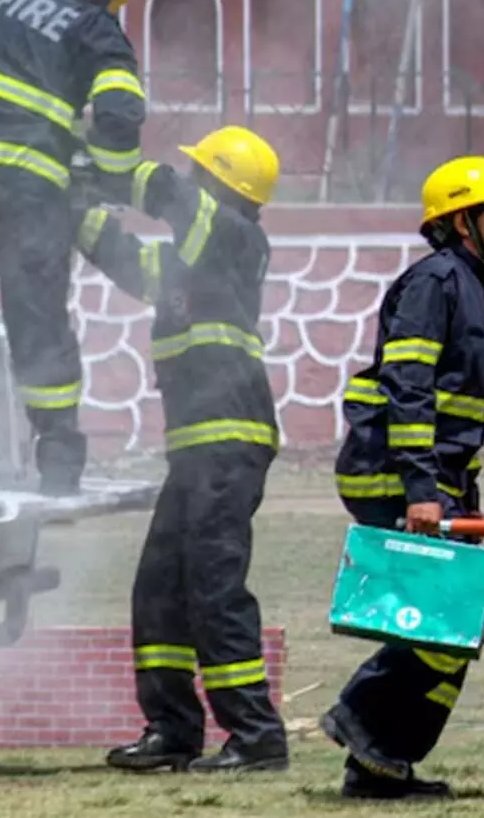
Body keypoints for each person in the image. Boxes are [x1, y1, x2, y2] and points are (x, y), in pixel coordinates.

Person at [75, 127, 289, 774]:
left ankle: (256, 735)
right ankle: (172, 727)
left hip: (228, 443)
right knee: (159, 589)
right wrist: (72, 207)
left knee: (213, 589)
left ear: (222, 185)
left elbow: (169, 195)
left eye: (202, 175)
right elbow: (124, 257)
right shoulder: (191, 262)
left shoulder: (233, 237)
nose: (190, 182)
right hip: (195, 451)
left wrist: (96, 164)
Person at [321, 155, 484, 801]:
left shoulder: (475, 285)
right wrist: (420, 491)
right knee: (466, 608)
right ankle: (363, 717)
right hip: (395, 473)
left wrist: (455, 490)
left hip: (436, 479)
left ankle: (380, 761)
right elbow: (408, 390)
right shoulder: (436, 282)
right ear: (461, 223)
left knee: (463, 612)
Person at [0, 0, 145, 494]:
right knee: (37, 317)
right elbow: (120, 113)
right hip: (31, 188)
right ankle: (58, 463)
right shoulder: (99, 28)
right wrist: (107, 180)